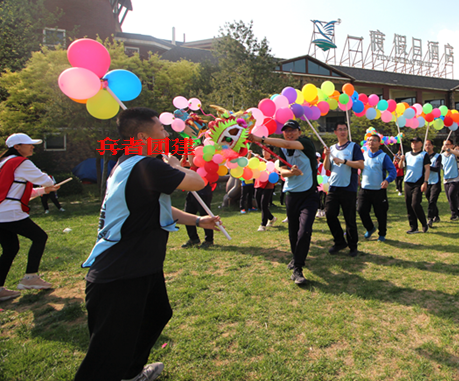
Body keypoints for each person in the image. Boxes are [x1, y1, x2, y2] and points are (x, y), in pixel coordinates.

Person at [74, 108, 220, 381]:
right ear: (142, 136)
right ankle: (122, 371)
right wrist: (176, 166)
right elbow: (198, 181)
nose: (166, 133)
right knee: (104, 356)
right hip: (120, 272)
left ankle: (130, 373)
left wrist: (199, 220)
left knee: (157, 314)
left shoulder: (126, 163)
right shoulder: (146, 165)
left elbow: (156, 207)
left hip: (141, 266)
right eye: (161, 130)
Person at [249, 120, 318, 285]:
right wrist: (291, 172)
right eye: (286, 131)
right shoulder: (282, 150)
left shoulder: (305, 143)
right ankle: (296, 260)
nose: (289, 133)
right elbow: (280, 170)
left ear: (299, 132)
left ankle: (298, 269)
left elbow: (288, 143)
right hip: (292, 195)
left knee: (305, 231)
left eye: (293, 130)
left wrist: (260, 139)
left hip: (309, 195)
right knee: (293, 232)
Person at [0, 134, 59, 302]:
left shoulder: (4, 163)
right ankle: (30, 278)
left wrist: (43, 191)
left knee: (10, 249)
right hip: (9, 212)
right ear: (17, 147)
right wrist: (47, 183)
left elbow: (15, 193)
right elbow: (46, 180)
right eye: (29, 144)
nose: (32, 147)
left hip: (2, 212)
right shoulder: (21, 162)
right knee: (40, 237)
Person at [323, 121, 364, 257]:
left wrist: (345, 161)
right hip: (333, 187)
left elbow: (361, 165)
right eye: (340, 129)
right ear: (335, 132)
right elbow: (327, 167)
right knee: (329, 215)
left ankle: (353, 246)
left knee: (349, 218)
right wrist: (326, 156)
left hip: (348, 188)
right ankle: (340, 241)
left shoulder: (354, 147)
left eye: (345, 129)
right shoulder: (331, 148)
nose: (342, 132)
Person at [359, 133, 396, 242]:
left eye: (374, 140)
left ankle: (382, 234)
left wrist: (387, 180)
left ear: (379, 143)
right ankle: (370, 228)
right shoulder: (364, 155)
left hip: (379, 190)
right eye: (369, 140)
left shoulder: (383, 156)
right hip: (364, 189)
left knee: (380, 214)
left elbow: (392, 171)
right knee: (361, 210)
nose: (371, 142)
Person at [398, 138, 430, 233]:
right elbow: (400, 166)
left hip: (418, 182)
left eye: (416, 142)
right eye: (412, 142)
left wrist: (425, 182)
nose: (414, 144)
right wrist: (401, 160)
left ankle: (424, 223)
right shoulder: (407, 154)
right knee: (409, 205)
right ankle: (413, 227)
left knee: (415, 204)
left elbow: (427, 169)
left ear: (421, 144)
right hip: (408, 182)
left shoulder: (424, 155)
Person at [255, 150, 278, 231]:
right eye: (263, 150)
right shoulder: (259, 160)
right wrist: (252, 156)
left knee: (264, 204)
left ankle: (263, 225)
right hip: (258, 183)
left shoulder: (273, 162)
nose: (265, 152)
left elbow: (275, 172)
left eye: (267, 151)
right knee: (259, 205)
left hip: (268, 185)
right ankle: (271, 218)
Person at [440, 138, 459, 220]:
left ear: (452, 145)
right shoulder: (441, 155)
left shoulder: (454, 154)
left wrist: (450, 150)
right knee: (449, 197)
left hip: (455, 178)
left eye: (448, 144)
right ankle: (457, 212)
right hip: (446, 178)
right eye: (444, 144)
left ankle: (454, 214)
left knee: (451, 194)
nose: (446, 146)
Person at [424, 139, 442, 227]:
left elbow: (437, 168)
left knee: (432, 201)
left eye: (429, 145)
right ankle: (436, 216)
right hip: (426, 182)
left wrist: (427, 167)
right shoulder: (422, 156)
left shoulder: (438, 156)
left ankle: (430, 219)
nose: (427, 146)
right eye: (426, 145)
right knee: (430, 200)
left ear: (432, 146)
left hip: (435, 182)